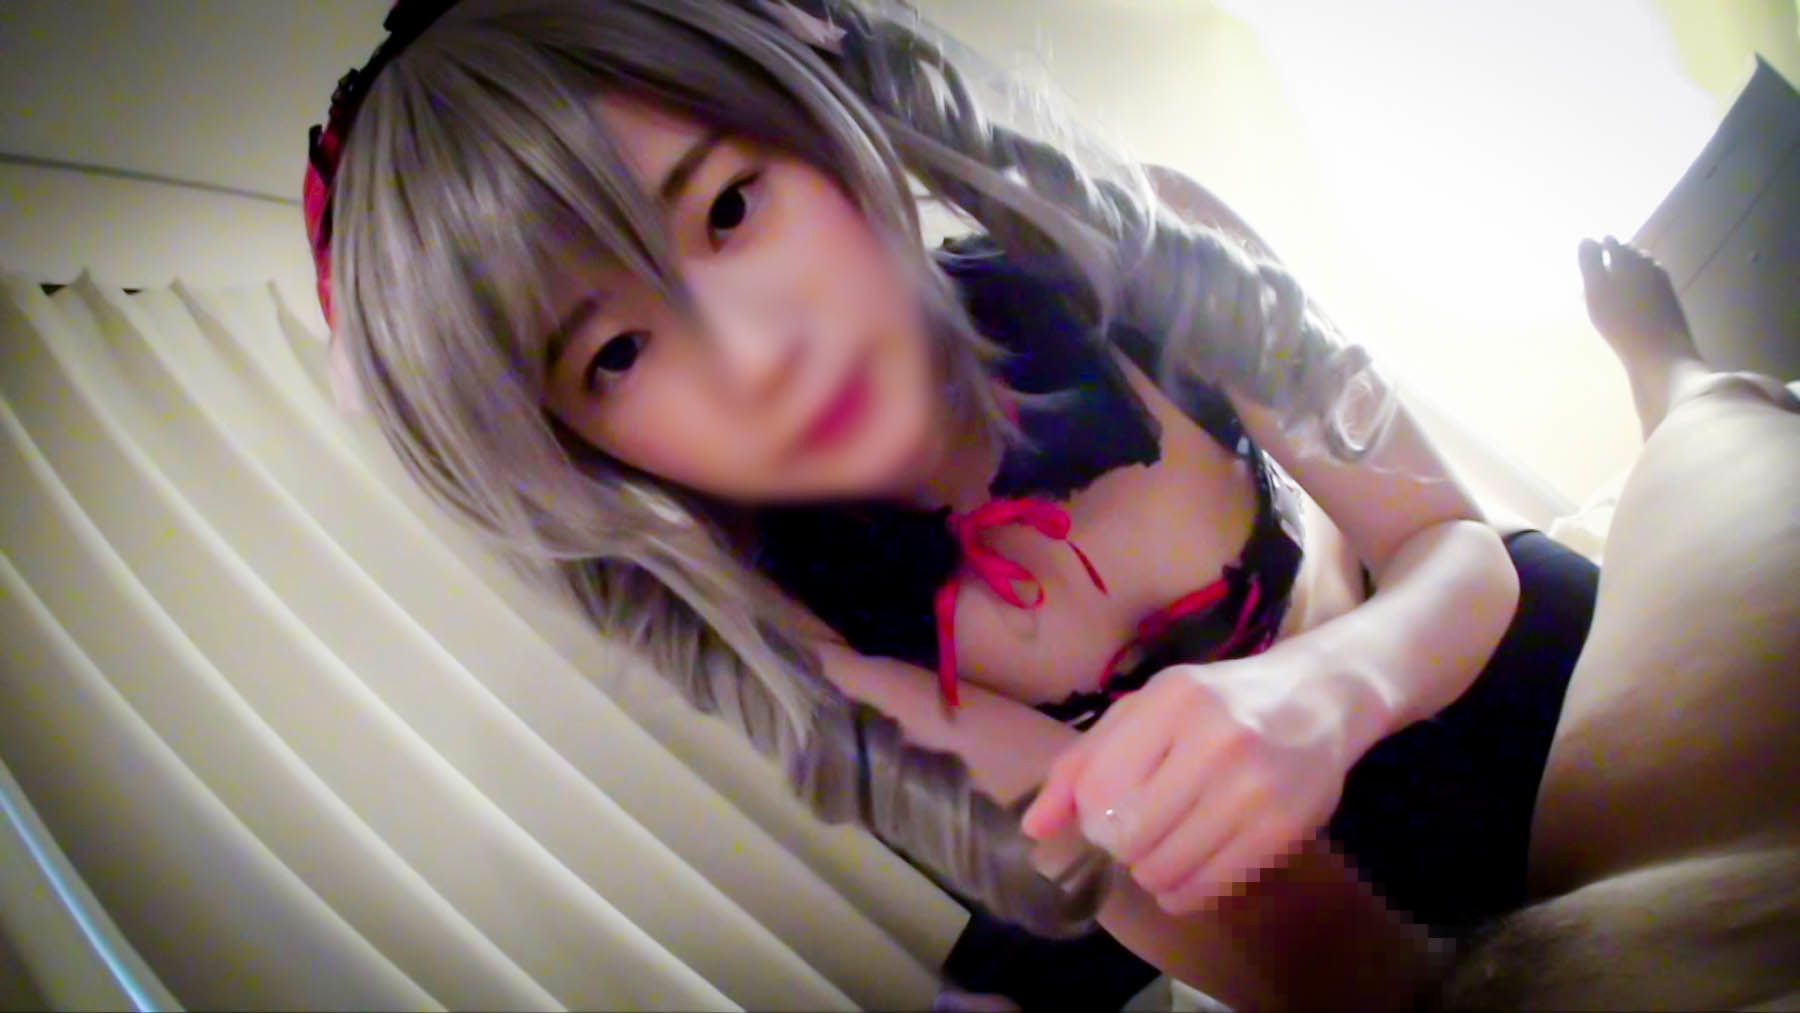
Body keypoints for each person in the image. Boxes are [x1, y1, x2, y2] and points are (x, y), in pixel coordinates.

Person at [303, 1, 1800, 1007]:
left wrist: (1328, 685)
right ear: (572, 441)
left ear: (822, 110)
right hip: (1278, 883)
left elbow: (1448, 543)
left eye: (731, 207)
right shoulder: (801, 632)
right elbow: (1320, 967)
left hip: (1466, 647)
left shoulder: (1128, 239)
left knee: (1735, 466)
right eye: (617, 353)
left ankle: (1668, 374)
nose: (753, 358)